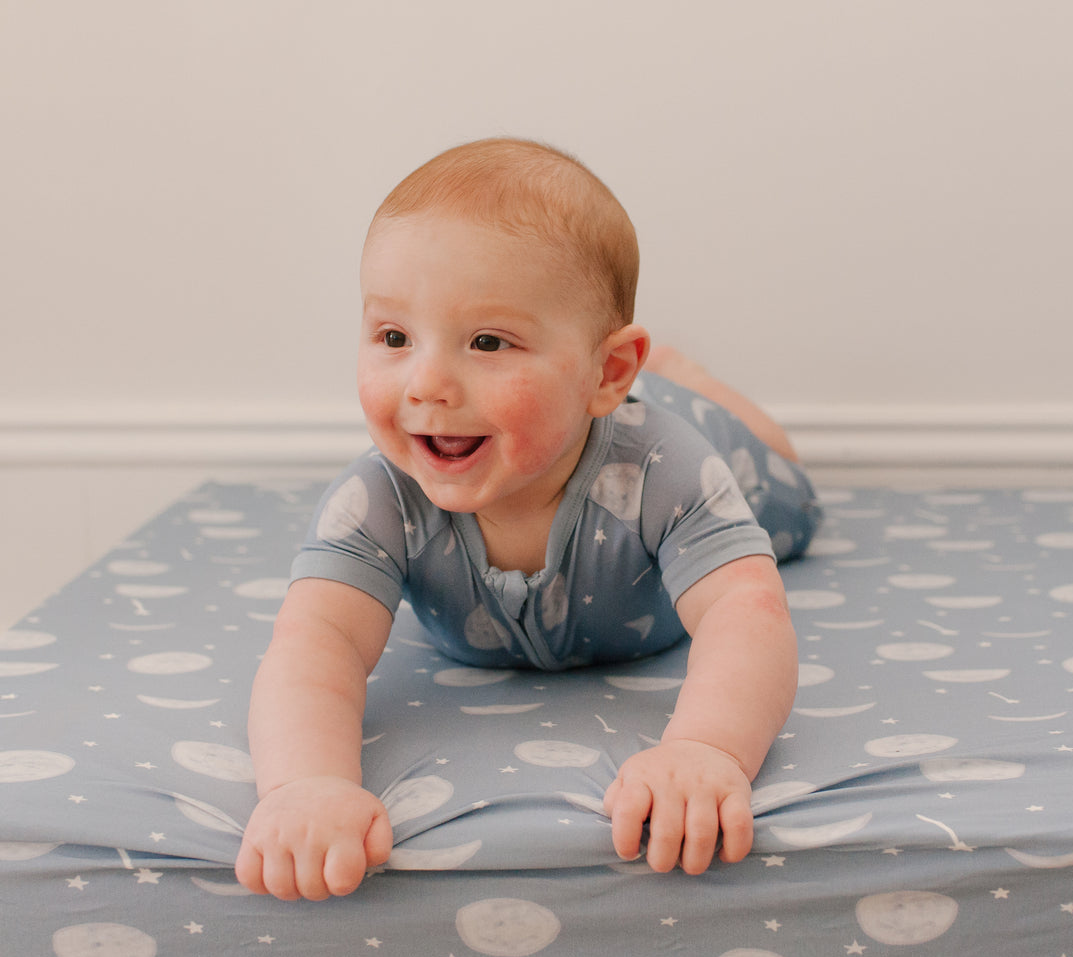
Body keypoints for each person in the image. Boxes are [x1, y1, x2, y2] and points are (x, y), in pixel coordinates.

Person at [235, 138, 821, 901]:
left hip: (700, 439)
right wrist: (303, 783)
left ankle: (694, 383)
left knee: (787, 484)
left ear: (609, 371)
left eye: (486, 342)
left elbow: (747, 611)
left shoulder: (662, 470)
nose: (426, 383)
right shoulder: (380, 494)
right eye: (393, 337)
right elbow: (317, 639)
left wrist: (707, 748)